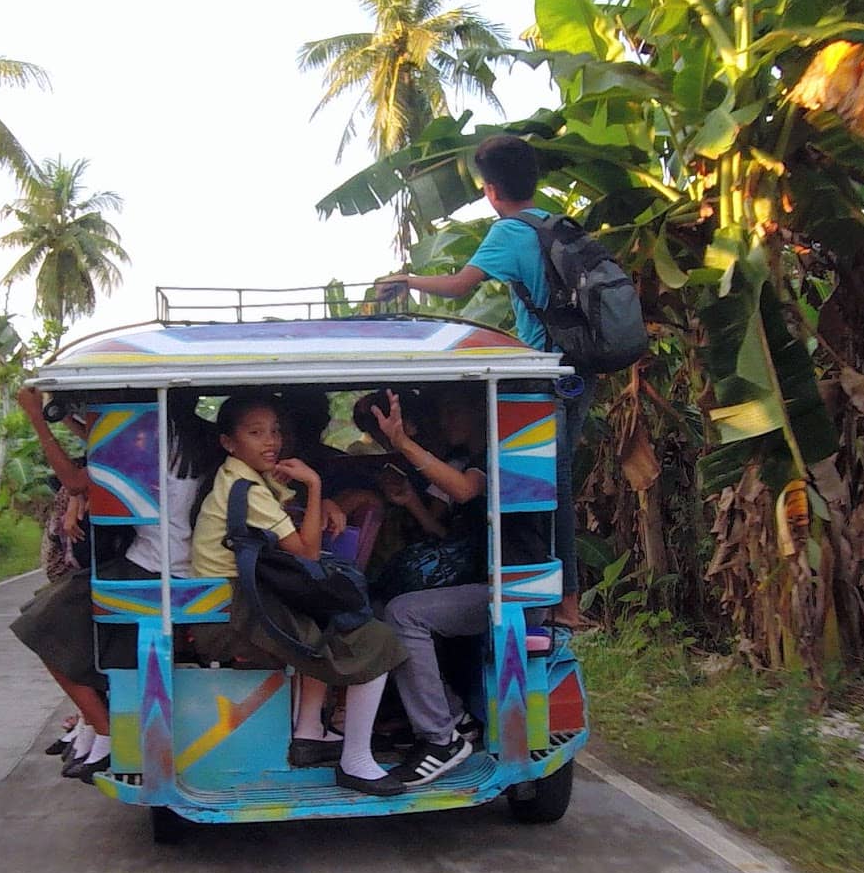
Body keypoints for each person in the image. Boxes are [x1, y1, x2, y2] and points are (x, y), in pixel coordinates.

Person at [376, 134, 594, 632]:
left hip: (547, 375)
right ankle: (562, 598)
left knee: (546, 489)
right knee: (551, 488)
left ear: (490, 189)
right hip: (578, 373)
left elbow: (459, 286)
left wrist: (407, 280)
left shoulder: (510, 232)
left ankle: (564, 602)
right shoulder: (553, 224)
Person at [189, 394, 408, 796]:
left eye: (274, 431)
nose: (270, 441)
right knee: (377, 640)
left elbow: (287, 518)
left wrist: (321, 502)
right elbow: (306, 549)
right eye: (255, 433)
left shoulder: (242, 476)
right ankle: (356, 761)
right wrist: (315, 483)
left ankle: (309, 733)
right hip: (231, 617)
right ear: (228, 442)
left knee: (323, 614)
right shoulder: (246, 489)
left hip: (230, 602)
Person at [10, 389, 216, 782]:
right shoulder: (189, 436)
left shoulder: (148, 436)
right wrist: (73, 423)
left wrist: (38, 417)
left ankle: (106, 729)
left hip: (152, 570)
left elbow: (73, 480)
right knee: (55, 608)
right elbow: (113, 448)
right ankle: (98, 727)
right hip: (183, 567)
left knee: (38, 625)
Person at [370, 387, 487, 786]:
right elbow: (442, 533)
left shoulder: (490, 458)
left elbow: (464, 490)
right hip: (474, 582)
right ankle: (458, 719)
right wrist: (410, 502)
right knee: (382, 605)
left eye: (453, 410)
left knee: (403, 614)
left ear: (479, 409)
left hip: (505, 591)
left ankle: (442, 738)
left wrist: (402, 444)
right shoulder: (465, 460)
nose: (445, 421)